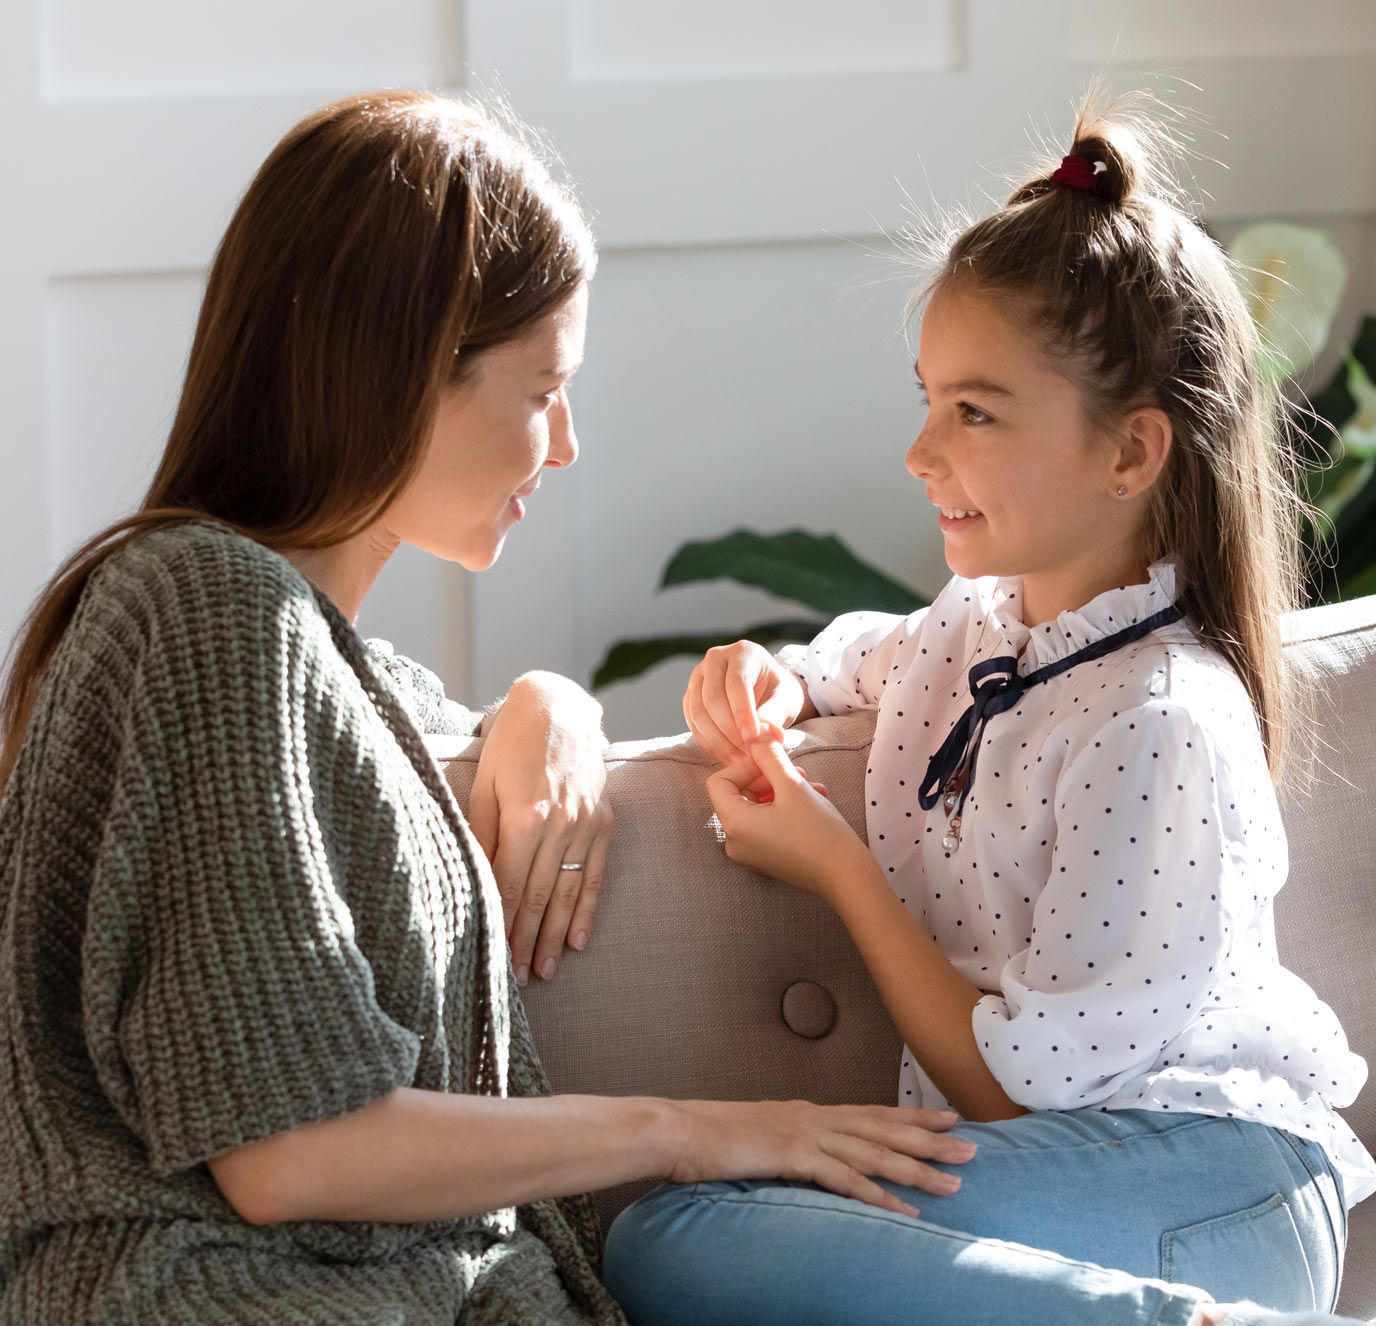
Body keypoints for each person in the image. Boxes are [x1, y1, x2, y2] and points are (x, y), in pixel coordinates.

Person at [0, 90, 970, 1323]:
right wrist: (696, 1131)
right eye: (539, 390)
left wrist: (548, 701)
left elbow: (403, 745)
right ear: (398, 376)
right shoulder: (201, 609)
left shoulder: (320, 663)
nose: (564, 446)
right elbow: (291, 1152)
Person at [608, 92, 1376, 1326]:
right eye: (925, 398)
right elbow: (860, 659)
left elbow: (1019, 1097)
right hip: (1060, 1191)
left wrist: (836, 866)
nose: (921, 451)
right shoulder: (981, 629)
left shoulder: (1157, 720)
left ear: (1131, 455)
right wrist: (766, 673)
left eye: (973, 410)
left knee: (680, 1235)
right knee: (660, 1234)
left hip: (1220, 1190)